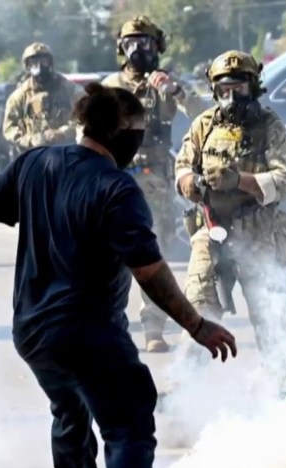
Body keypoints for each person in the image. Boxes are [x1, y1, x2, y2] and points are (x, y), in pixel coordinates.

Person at [0, 83, 237, 468]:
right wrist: (197, 325)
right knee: (129, 426)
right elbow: (150, 273)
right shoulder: (116, 188)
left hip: (33, 333)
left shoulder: (34, 163)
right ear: (120, 131)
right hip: (90, 333)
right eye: (138, 131)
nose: (140, 140)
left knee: (70, 415)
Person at [174, 50, 286, 373]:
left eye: (239, 88)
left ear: (253, 86)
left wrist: (239, 181)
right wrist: (190, 183)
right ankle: (184, 384)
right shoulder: (204, 125)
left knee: (269, 317)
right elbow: (182, 166)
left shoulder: (270, 127)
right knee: (198, 311)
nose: (231, 97)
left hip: (256, 234)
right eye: (224, 89)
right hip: (211, 230)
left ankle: (280, 385)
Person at [102, 15, 206, 353]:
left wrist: (175, 91)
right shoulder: (110, 86)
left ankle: (153, 328)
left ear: (157, 46)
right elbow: (84, 132)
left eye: (145, 42)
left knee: (152, 254)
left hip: (156, 181)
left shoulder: (166, 85)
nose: (138, 49)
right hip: (116, 178)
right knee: (108, 258)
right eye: (131, 42)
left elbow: (205, 115)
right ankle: (108, 328)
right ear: (121, 47)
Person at [2, 43, 78, 155]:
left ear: (50, 63)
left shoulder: (69, 90)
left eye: (43, 61)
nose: (39, 66)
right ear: (27, 66)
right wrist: (31, 140)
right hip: (33, 155)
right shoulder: (19, 96)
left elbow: (83, 120)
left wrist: (63, 133)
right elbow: (9, 129)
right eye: (34, 62)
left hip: (65, 153)